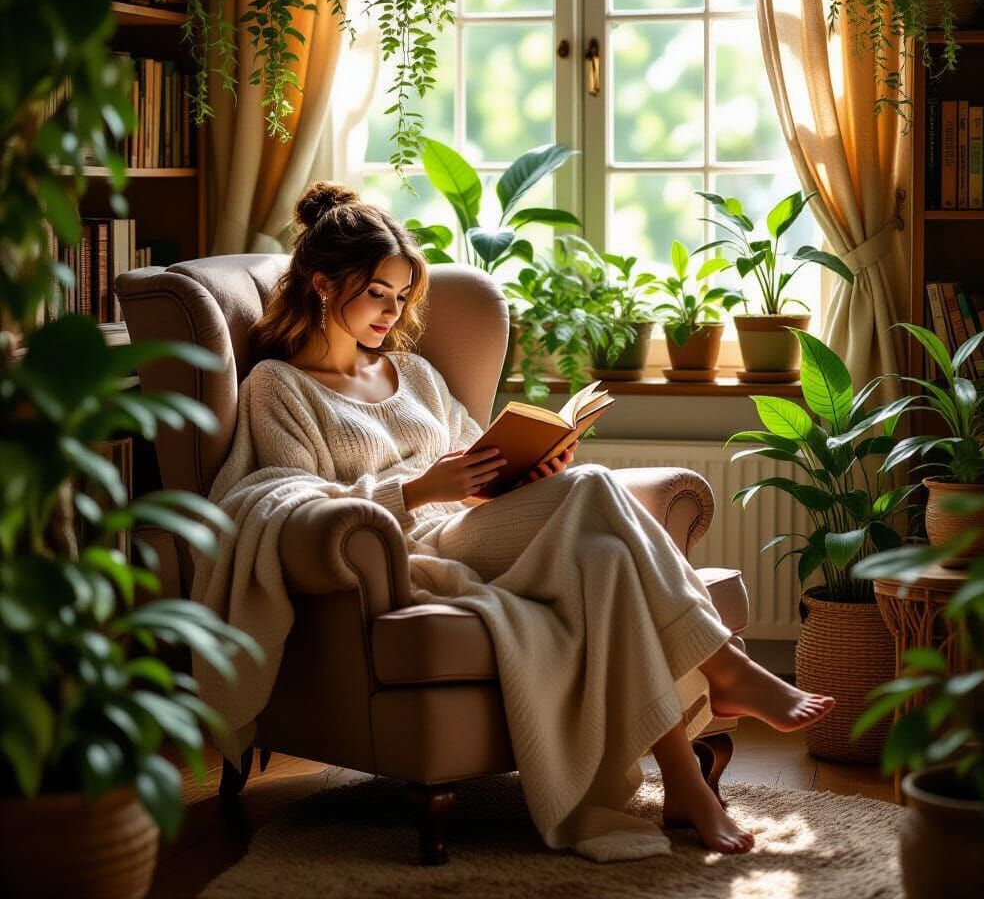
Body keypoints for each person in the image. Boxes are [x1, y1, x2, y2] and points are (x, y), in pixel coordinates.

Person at [225, 182, 834, 860]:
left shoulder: (416, 374)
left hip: (474, 526)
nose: (391, 314)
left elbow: (475, 457)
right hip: (411, 551)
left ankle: (684, 784)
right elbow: (296, 500)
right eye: (377, 294)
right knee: (596, 487)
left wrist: (523, 474)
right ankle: (721, 667)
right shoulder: (277, 386)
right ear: (321, 285)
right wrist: (416, 490)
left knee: (602, 553)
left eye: (401, 298)